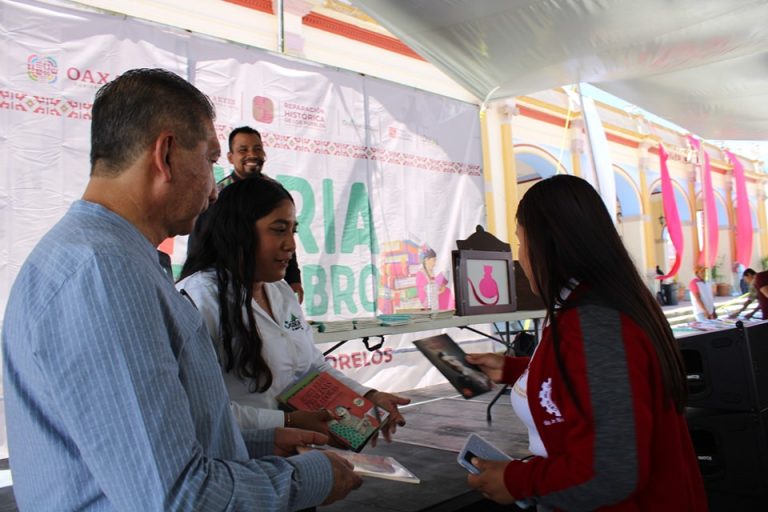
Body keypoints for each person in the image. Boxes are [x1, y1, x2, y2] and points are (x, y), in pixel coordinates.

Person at [1, 68, 361, 510]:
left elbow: (151, 449)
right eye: (211, 161)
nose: (214, 190)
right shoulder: (102, 274)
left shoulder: (111, 261)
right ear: (166, 154)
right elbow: (174, 497)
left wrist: (258, 440)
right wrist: (311, 477)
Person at [465, 175, 706, 510]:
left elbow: (609, 473)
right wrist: (513, 368)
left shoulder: (596, 322)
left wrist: (516, 481)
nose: (520, 257)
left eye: (520, 241)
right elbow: (592, 379)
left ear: (547, 244)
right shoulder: (591, 304)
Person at [177, 176, 409, 438]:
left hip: (286, 456)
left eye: (293, 230)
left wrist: (368, 397)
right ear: (238, 232)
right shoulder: (197, 299)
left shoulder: (280, 291)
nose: (291, 245)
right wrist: (287, 421)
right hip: (237, 460)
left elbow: (312, 369)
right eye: (278, 229)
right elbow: (199, 410)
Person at [189, 125, 305, 302]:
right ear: (230, 157)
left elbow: (285, 237)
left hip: (263, 290)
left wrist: (293, 278)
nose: (252, 155)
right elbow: (199, 243)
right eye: (243, 150)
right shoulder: (216, 195)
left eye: (257, 149)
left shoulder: (275, 191)